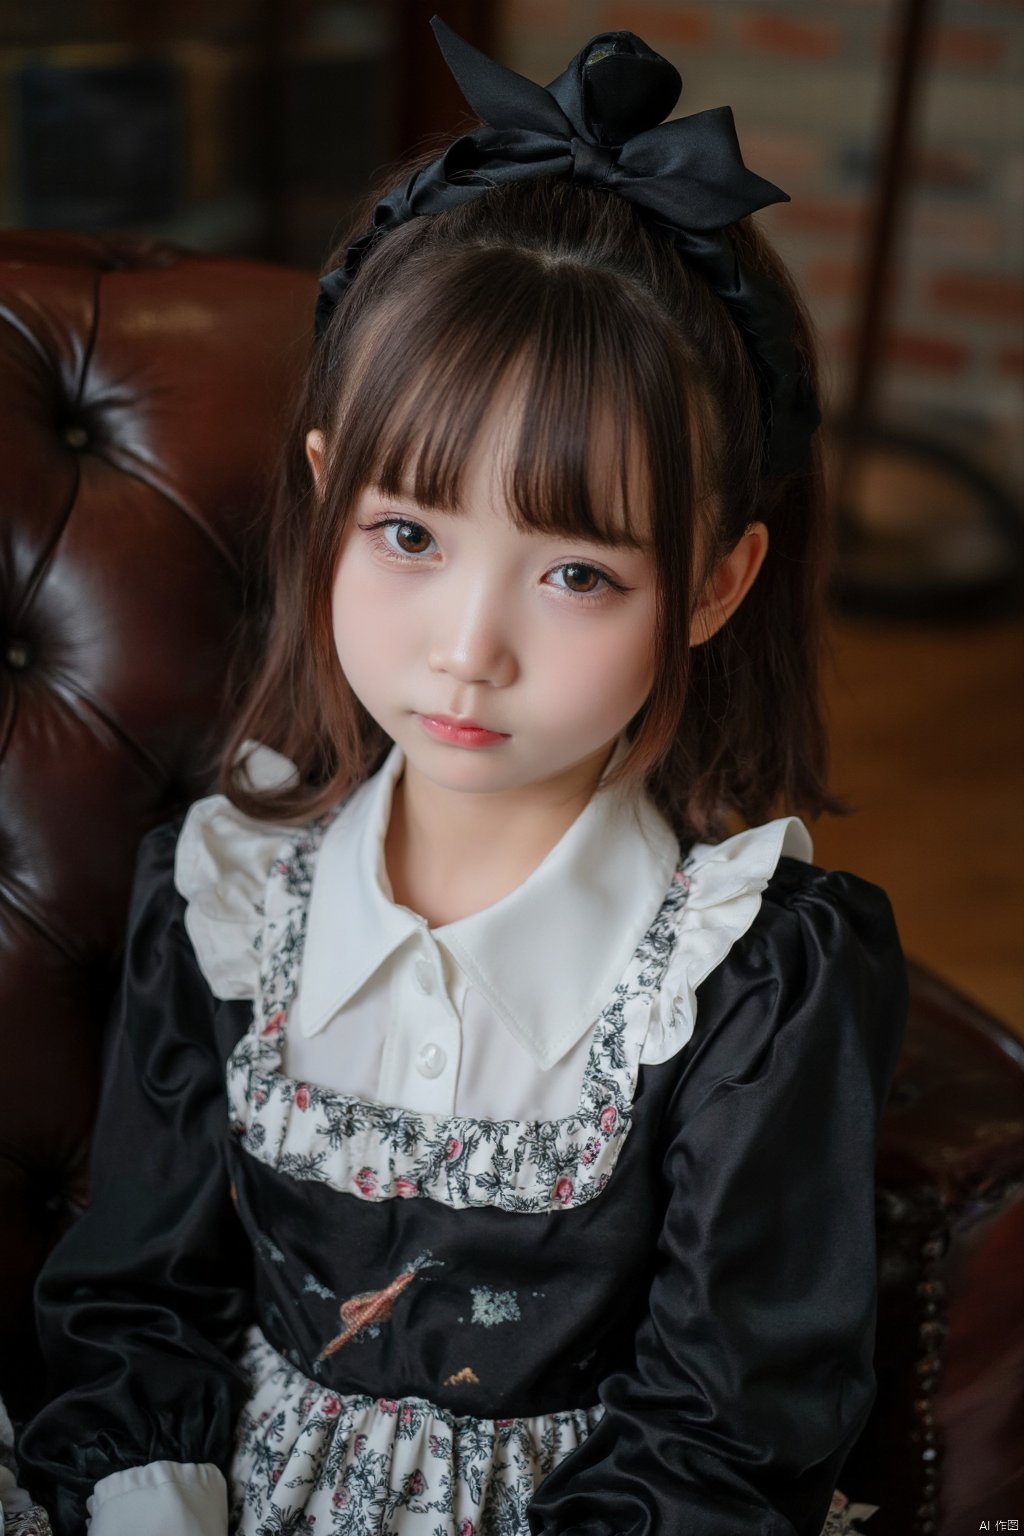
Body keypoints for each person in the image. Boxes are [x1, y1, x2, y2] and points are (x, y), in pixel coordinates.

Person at [18, 19, 906, 1536]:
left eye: (574, 572)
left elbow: (729, 1428)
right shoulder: (228, 901)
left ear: (712, 582)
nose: (467, 653)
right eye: (411, 537)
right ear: (326, 495)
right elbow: (134, 1299)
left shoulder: (752, 982)